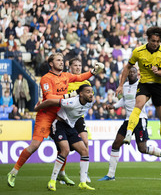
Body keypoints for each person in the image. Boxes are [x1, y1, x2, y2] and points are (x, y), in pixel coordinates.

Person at [7, 53, 104, 188]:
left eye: (62, 60)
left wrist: (93, 72)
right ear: (51, 63)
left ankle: (61, 173)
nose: (61, 62)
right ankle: (13, 171)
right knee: (35, 145)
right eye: (58, 60)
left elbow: (80, 77)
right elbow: (49, 97)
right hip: (46, 115)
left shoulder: (65, 75)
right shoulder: (46, 78)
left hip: (61, 116)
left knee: (65, 147)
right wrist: (68, 95)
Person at [116, 27, 161, 164]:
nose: (155, 43)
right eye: (153, 41)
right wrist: (121, 85)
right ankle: (128, 134)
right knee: (138, 105)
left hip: (158, 85)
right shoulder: (138, 51)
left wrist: (158, 71)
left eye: (158, 41)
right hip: (145, 83)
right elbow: (127, 67)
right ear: (148, 40)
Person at [98, 67, 161, 181]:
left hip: (140, 119)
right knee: (116, 144)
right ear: (127, 74)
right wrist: (113, 106)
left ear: (137, 74)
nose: (132, 74)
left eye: (133, 72)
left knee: (142, 149)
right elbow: (124, 100)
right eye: (130, 72)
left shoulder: (142, 85)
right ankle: (110, 175)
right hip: (128, 120)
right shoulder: (125, 86)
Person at [34, 84, 95, 191]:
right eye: (88, 92)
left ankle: (83, 182)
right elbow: (50, 101)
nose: (91, 94)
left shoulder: (89, 104)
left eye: (92, 92)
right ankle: (52, 181)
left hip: (70, 127)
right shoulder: (72, 102)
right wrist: (37, 108)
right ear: (81, 94)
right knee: (65, 150)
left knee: (85, 151)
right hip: (59, 125)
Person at [57, 57, 92, 183]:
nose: (78, 67)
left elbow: (89, 98)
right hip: (65, 118)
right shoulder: (66, 81)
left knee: (85, 142)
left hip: (78, 117)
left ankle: (84, 173)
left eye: (79, 65)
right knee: (63, 149)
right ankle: (61, 173)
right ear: (70, 67)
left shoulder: (86, 82)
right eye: (75, 65)